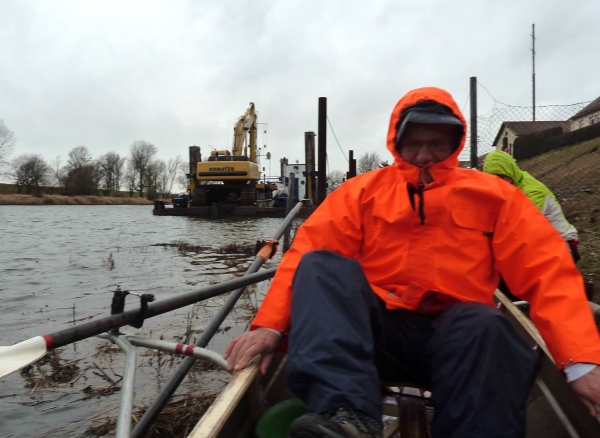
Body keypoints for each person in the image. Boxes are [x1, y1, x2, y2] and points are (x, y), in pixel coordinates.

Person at [224, 87, 600, 438]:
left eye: (436, 143)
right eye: (414, 143)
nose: (424, 155)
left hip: (458, 339)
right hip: (374, 337)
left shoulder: (498, 197)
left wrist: (581, 362)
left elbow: (549, 273)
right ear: (396, 143)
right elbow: (304, 255)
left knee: (488, 325)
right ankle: (349, 416)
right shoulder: (360, 193)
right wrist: (270, 327)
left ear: (455, 144)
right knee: (322, 265)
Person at [483, 150, 580, 262]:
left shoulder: (533, 192)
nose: (498, 182)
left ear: (510, 172)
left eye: (501, 176)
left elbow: (521, 225)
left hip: (561, 244)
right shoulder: (514, 183)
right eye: (493, 178)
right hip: (540, 241)